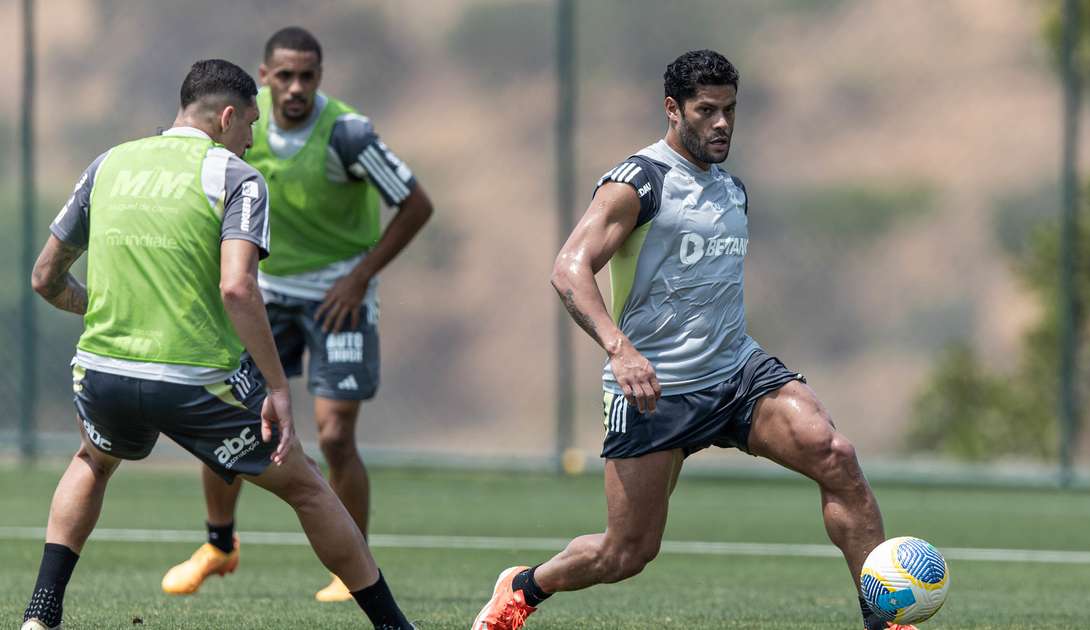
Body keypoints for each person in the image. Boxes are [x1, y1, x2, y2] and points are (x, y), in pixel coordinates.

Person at [469, 49, 912, 630]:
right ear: (673, 110)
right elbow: (568, 269)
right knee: (626, 554)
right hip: (657, 389)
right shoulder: (637, 183)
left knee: (836, 455)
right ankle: (525, 586)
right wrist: (619, 349)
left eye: (730, 109)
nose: (723, 123)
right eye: (707, 110)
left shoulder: (733, 190)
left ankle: (887, 620)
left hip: (737, 375)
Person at [20, 59, 415, 630]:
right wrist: (278, 387)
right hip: (194, 382)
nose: (252, 139)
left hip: (103, 372)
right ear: (228, 117)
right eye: (250, 125)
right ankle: (393, 626)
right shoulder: (233, 175)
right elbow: (237, 286)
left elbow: (44, 277)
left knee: (92, 460)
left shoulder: (109, 164)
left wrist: (99, 306)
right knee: (307, 488)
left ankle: (40, 613)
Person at [161, 27, 433, 603]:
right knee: (226, 420)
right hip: (265, 293)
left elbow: (416, 204)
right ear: (263, 78)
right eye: (284, 76)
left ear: (320, 78)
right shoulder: (240, 133)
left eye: (308, 76)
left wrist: (358, 278)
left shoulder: (349, 135)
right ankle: (218, 544)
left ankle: (351, 564)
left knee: (335, 436)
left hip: (340, 297)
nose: (296, 87)